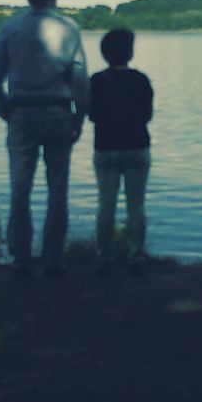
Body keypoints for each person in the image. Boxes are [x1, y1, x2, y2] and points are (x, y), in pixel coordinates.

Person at [0, 0, 89, 280]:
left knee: (20, 188)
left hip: (22, 114)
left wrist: (5, 110)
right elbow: (80, 78)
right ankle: (54, 259)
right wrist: (79, 117)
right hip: (58, 112)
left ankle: (20, 258)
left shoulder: (10, 28)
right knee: (58, 189)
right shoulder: (68, 29)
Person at [89, 27, 154, 277]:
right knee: (136, 205)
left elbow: (92, 115)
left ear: (105, 54)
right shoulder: (141, 79)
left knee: (106, 204)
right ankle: (136, 256)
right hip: (137, 146)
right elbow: (147, 115)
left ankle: (104, 258)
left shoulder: (95, 81)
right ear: (130, 52)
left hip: (105, 147)